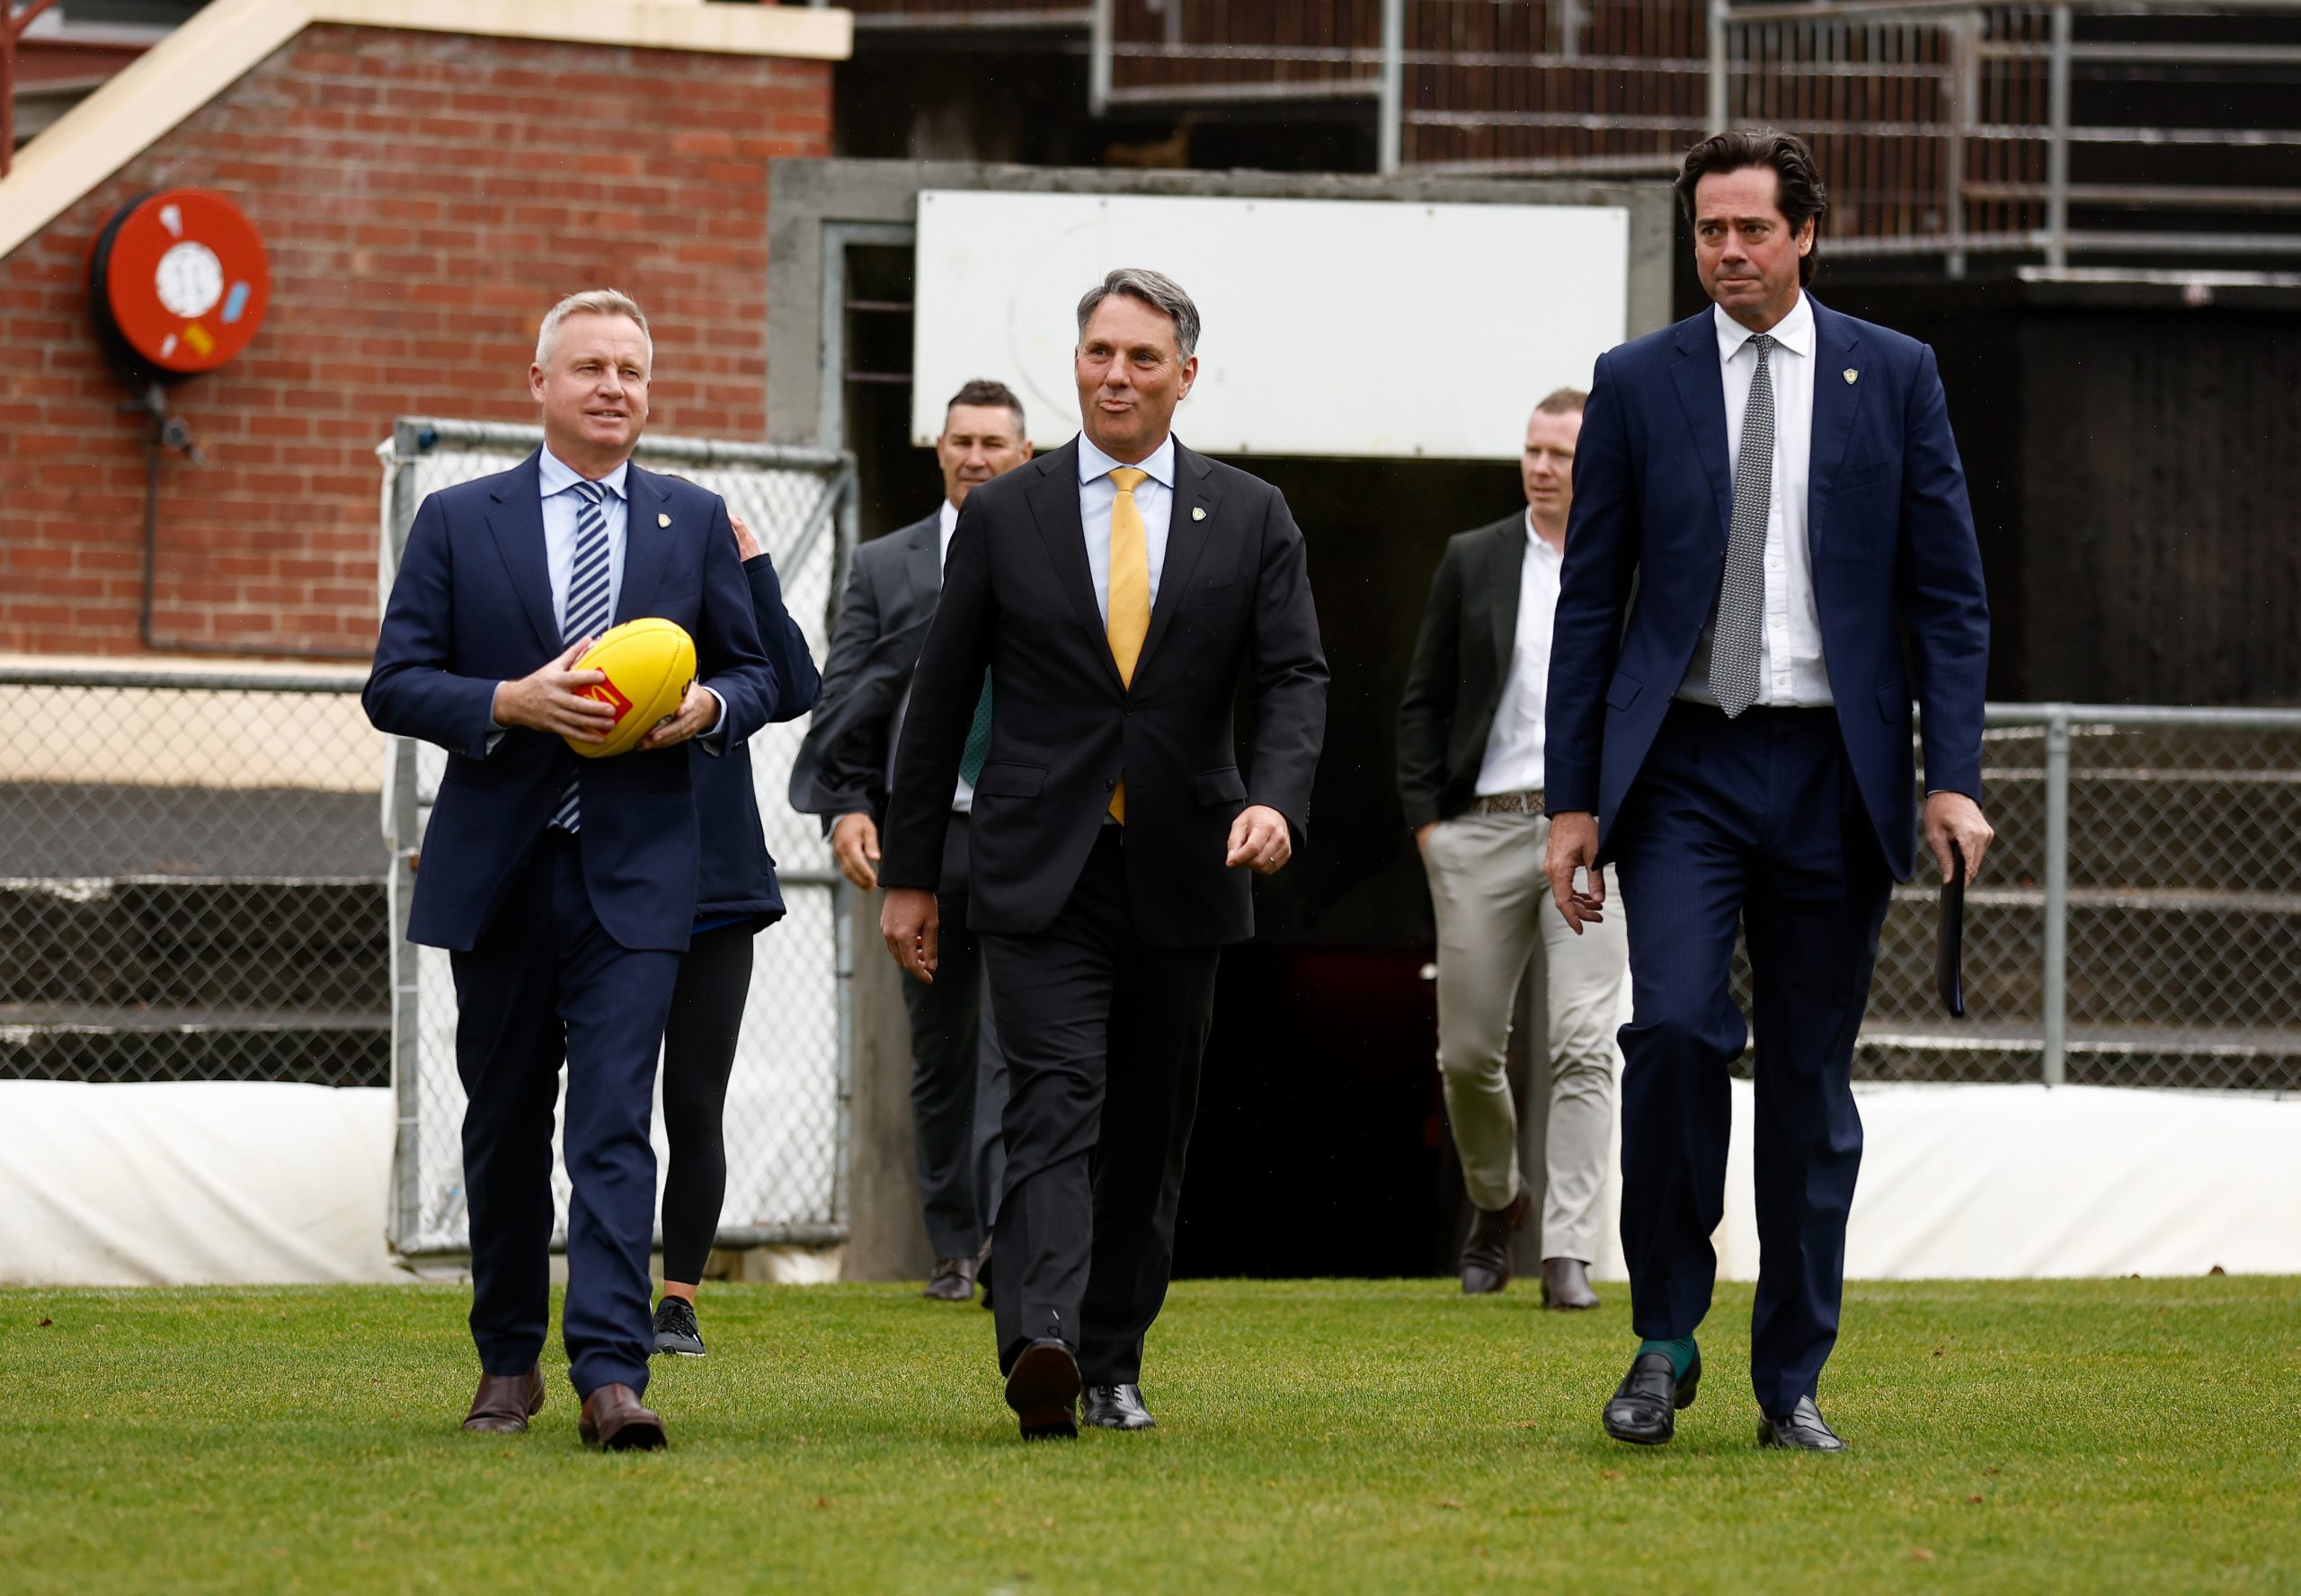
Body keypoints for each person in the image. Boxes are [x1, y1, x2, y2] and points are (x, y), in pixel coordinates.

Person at [1543, 130, 1994, 1452]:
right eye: (1707, 233)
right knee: (1673, 1032)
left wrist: (1949, 778)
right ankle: (1663, 1335)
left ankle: (1789, 1379)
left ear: (1807, 233)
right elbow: (1592, 605)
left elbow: (1948, 597)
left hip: (1831, 772)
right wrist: (1577, 799)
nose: (1727, 253)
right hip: (1682, 768)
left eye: (1750, 230)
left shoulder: (1894, 375)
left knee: (1808, 1081)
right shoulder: (1637, 381)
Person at [877, 269, 1328, 1440]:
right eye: (1098, 354)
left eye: (1141, 358)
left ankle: (1115, 1353)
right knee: (1053, 1100)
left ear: (1185, 373)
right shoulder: (1009, 512)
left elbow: (1293, 676)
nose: (1116, 375)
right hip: (1039, 868)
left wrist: (1276, 800)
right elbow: (940, 696)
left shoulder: (1250, 516)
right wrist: (912, 872)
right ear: (1074, 365)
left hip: (1185, 867)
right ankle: (1042, 1339)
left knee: (1146, 1127)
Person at [365, 288, 777, 1451]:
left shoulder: (694, 522)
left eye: (632, 371)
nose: (613, 387)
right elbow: (394, 682)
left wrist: (700, 707)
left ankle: (610, 1372)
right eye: (589, 366)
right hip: (500, 874)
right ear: (535, 381)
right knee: (501, 1127)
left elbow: (755, 677)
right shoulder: (457, 519)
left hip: (640, 881)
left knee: (612, 1125)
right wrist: (506, 699)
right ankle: (507, 1365)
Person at [788, 380, 1034, 1305]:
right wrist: (847, 806)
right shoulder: (885, 566)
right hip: (921, 845)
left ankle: (1016, 1234)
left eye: (993, 443)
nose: (975, 456)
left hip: (1023, 842)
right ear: (938, 449)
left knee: (1020, 1044)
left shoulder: (1053, 553)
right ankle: (951, 1247)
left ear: (1024, 455)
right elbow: (846, 698)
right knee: (940, 1050)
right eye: (960, 440)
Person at [1396, 388, 1631, 1308]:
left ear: (1594, 465)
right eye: (1532, 451)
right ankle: (1498, 1204)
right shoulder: (1474, 558)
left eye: (1560, 455)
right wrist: (1431, 830)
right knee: (1465, 1054)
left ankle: (1568, 1249)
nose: (1541, 468)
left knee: (1583, 1042)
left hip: (1596, 834)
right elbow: (1422, 701)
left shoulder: (1633, 561)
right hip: (1481, 830)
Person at [650, 506, 822, 1358]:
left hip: (716, 888)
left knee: (693, 1100)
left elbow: (794, 687)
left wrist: (754, 567)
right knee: (603, 1101)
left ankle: (677, 1300)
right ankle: (597, 1285)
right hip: (605, 881)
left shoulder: (715, 594)